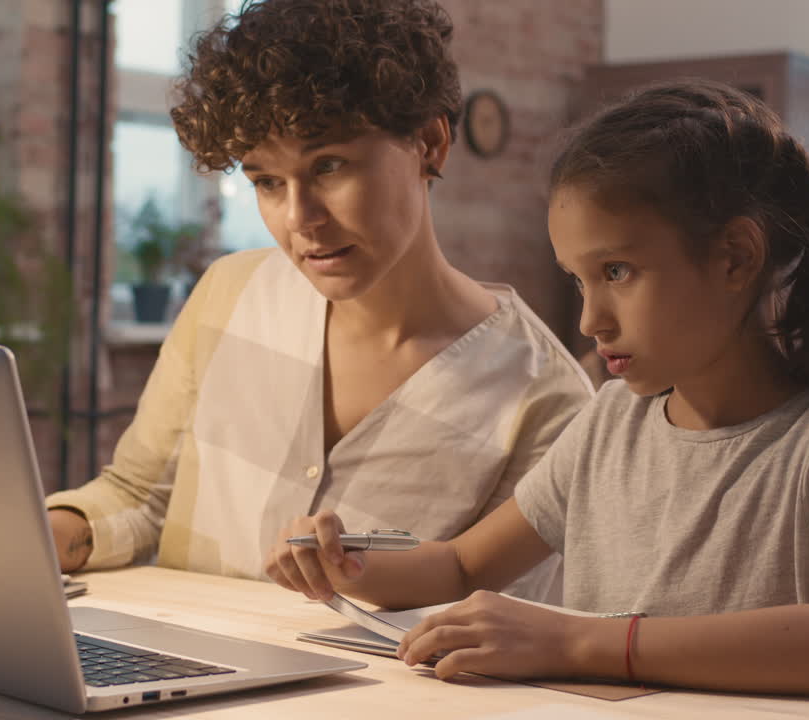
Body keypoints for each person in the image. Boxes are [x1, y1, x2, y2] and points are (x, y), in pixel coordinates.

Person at [266, 79, 809, 699]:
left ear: (735, 257)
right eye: (579, 281)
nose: (591, 320)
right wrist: (342, 562)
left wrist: (579, 642)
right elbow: (463, 567)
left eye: (617, 271)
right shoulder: (611, 422)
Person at [44, 0, 593, 603]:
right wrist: (34, 537)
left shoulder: (545, 400)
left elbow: (498, 634)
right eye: (267, 183)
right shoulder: (229, 293)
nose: (299, 219)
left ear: (430, 143)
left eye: (328, 166)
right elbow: (139, 496)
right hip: (166, 685)